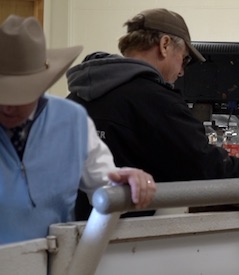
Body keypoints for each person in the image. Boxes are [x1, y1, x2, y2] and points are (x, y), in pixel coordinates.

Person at [65, 9, 239, 186]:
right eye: (183, 58)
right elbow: (216, 169)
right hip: (134, 233)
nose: (183, 70)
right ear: (164, 46)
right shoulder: (157, 101)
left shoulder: (80, 95)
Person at [0, 15, 156, 244]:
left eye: (19, 95)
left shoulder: (72, 121)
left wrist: (125, 184)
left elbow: (104, 185)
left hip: (53, 259)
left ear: (41, 84)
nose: (7, 106)